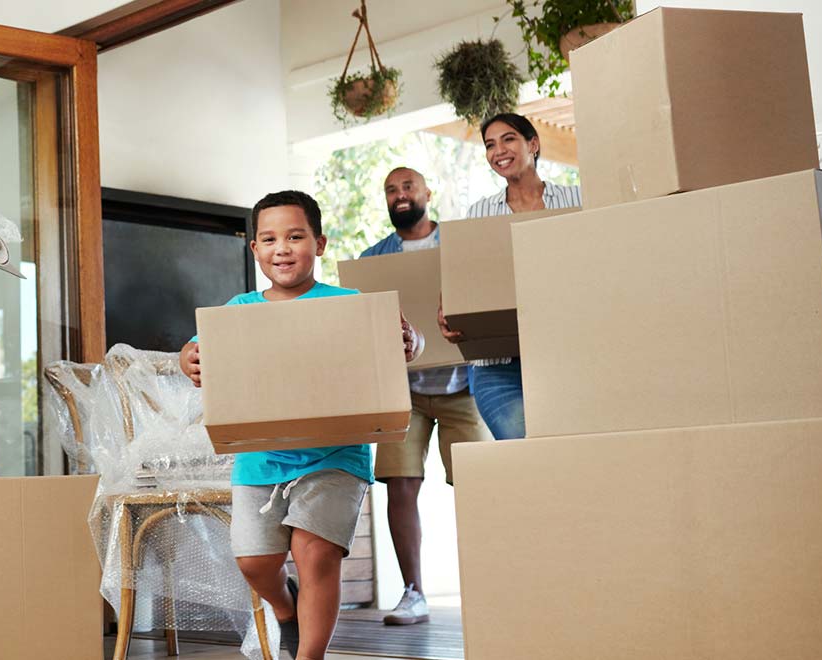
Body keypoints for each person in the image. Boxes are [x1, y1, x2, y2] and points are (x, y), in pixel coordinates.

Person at [179, 190, 421, 660]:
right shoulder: (238, 310)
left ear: (321, 243)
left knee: (317, 554)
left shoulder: (348, 303)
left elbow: (407, 341)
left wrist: (411, 341)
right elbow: (196, 350)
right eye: (268, 239)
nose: (282, 248)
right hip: (260, 457)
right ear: (254, 250)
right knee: (254, 563)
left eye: (295, 236)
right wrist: (187, 358)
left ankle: (310, 657)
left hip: (335, 454)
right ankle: (286, 610)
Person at [357, 167, 491, 626]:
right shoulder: (373, 258)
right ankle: (413, 592)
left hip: (464, 386)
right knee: (401, 484)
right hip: (405, 392)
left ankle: (489, 585)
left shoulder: (457, 245)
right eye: (390, 189)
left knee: (479, 486)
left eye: (407, 187)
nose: (399, 195)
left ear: (427, 193)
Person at [440, 112, 582, 440]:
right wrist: (448, 305)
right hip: (497, 365)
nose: (498, 150)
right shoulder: (479, 213)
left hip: (565, 353)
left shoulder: (577, 200)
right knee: (524, 450)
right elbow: (465, 276)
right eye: (490, 145)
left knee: (568, 447)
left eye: (508, 139)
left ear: (533, 144)